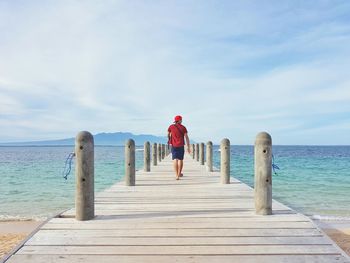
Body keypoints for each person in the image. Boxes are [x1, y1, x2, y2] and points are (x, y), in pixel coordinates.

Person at [167, 115, 190, 180]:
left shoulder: (171, 126)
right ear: (179, 120)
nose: (182, 120)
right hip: (181, 145)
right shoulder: (183, 127)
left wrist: (169, 138)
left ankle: (176, 175)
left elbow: (168, 133)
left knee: (175, 159)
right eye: (181, 119)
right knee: (180, 159)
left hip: (174, 145)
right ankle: (179, 173)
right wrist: (188, 146)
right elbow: (186, 137)